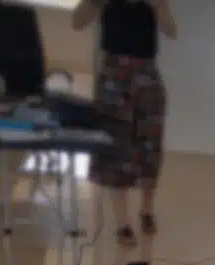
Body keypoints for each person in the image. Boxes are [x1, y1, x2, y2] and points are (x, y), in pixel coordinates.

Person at [73, 0, 177, 249]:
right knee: (115, 145)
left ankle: (146, 210)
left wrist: (159, 6)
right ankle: (123, 223)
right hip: (112, 73)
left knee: (150, 143)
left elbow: (172, 31)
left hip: (147, 71)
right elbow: (77, 23)